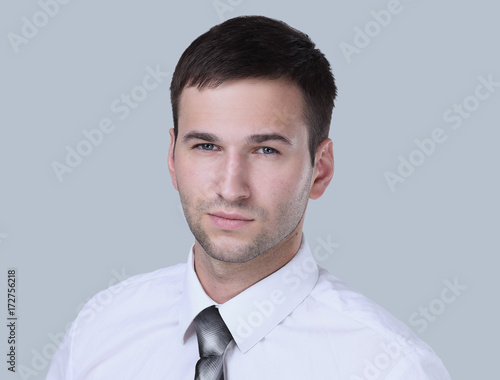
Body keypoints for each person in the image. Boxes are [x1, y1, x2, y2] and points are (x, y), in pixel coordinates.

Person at [46, 15, 451, 379]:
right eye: (206, 146)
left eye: (266, 150)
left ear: (320, 169)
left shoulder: (390, 366)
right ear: (172, 157)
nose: (230, 188)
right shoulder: (99, 331)